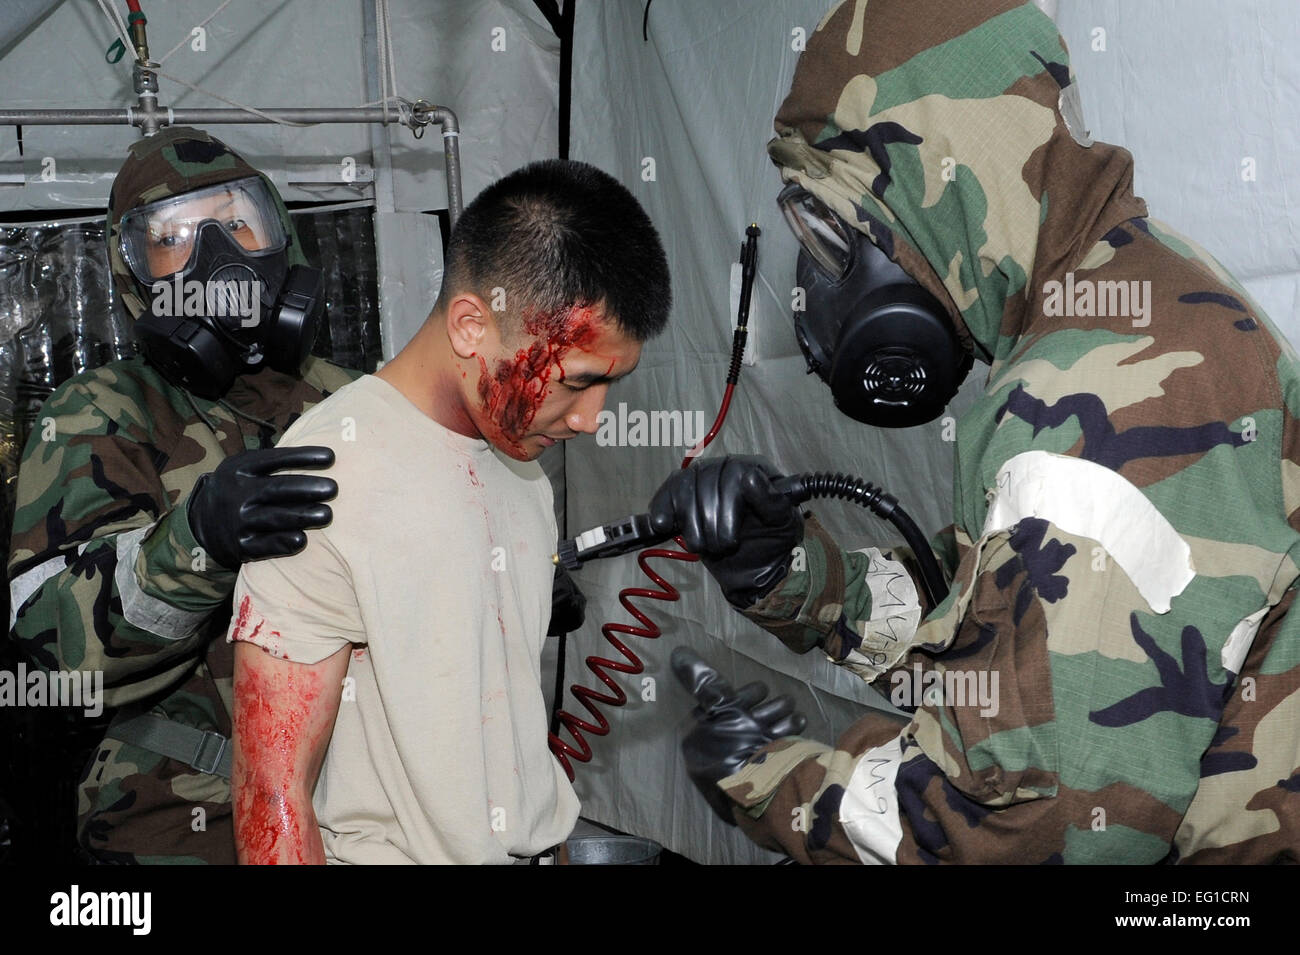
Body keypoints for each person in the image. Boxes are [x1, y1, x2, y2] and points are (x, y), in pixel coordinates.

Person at [658, 0, 1299, 864]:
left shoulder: (1089, 402)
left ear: (946, 180)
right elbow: (1012, 638)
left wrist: (770, 781)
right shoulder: (1137, 295)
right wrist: (801, 578)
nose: (819, 279)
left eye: (833, 227)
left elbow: (1025, 829)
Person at [228, 158, 671, 864]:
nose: (592, 419)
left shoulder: (522, 463)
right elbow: (271, 800)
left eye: (610, 386)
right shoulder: (325, 473)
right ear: (472, 325)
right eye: (579, 383)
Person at [6, 127, 361, 863]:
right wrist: (196, 543)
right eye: (175, 239)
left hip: (357, 804)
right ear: (136, 274)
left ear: (279, 238)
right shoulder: (100, 411)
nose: (218, 257)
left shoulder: (354, 401)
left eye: (236, 224)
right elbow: (52, 652)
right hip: (183, 813)